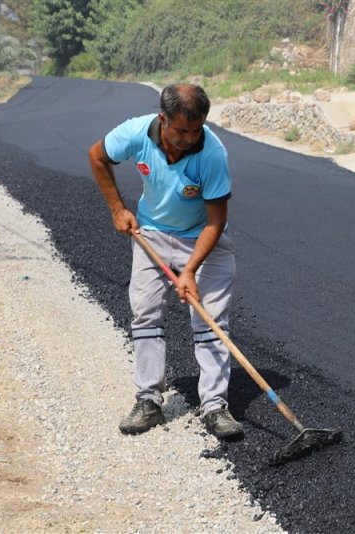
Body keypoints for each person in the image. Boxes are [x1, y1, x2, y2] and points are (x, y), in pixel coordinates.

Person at [88, 84, 243, 439]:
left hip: (204, 237)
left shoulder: (213, 154)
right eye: (181, 130)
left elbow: (216, 221)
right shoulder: (135, 132)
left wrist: (189, 270)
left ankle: (215, 406)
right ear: (163, 119)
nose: (190, 137)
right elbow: (97, 156)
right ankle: (149, 402)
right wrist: (117, 208)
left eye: (197, 129)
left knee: (211, 319)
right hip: (151, 233)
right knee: (145, 311)